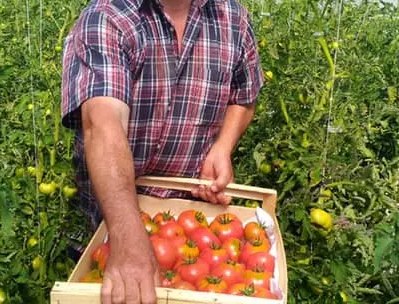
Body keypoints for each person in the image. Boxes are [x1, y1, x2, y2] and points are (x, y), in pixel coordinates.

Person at [60, 0, 264, 302]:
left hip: (192, 218)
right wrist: (127, 240)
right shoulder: (109, 16)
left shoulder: (232, 17)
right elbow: (103, 124)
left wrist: (223, 147)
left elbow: (244, 93)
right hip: (111, 216)